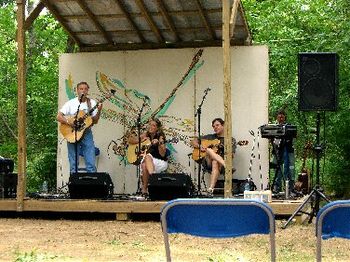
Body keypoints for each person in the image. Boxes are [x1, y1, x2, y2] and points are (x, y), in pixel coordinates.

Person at [57, 81, 102, 173]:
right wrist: (69, 123)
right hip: (72, 133)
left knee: (90, 161)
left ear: (88, 91)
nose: (83, 91)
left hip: (86, 132)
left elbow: (95, 121)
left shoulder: (92, 103)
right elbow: (58, 116)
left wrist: (99, 110)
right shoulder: (71, 103)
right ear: (77, 91)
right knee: (73, 163)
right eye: (81, 89)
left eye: (85, 89)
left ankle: (91, 184)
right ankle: (74, 184)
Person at [191, 118, 236, 196]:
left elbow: (231, 156)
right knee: (208, 150)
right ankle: (228, 167)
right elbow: (193, 141)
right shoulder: (209, 137)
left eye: (217, 125)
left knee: (215, 161)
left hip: (220, 166)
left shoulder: (230, 140)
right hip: (207, 162)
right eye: (213, 126)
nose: (215, 127)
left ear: (223, 125)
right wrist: (200, 146)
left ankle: (210, 189)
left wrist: (227, 151)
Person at [128, 118, 168, 196]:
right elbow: (130, 140)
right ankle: (145, 189)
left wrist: (159, 144)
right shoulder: (146, 134)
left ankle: (152, 182)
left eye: (153, 125)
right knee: (143, 164)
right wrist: (141, 141)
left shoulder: (160, 136)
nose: (150, 126)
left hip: (160, 162)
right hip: (148, 162)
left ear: (157, 128)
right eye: (150, 124)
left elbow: (163, 154)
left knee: (147, 157)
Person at [271, 109, 295, 193]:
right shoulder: (274, 126)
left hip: (288, 150)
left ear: (285, 117)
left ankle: (290, 188)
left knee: (290, 168)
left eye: (282, 115)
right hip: (277, 151)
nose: (281, 117)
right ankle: (277, 187)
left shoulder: (289, 126)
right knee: (277, 168)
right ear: (277, 117)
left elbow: (294, 134)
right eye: (279, 115)